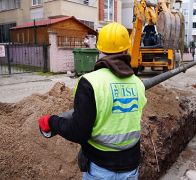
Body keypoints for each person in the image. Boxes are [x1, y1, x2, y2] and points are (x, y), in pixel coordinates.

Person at [38, 22, 147, 180]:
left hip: (100, 169)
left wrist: (51, 121)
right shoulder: (137, 83)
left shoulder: (89, 82)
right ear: (126, 49)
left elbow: (79, 132)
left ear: (99, 49)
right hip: (131, 168)